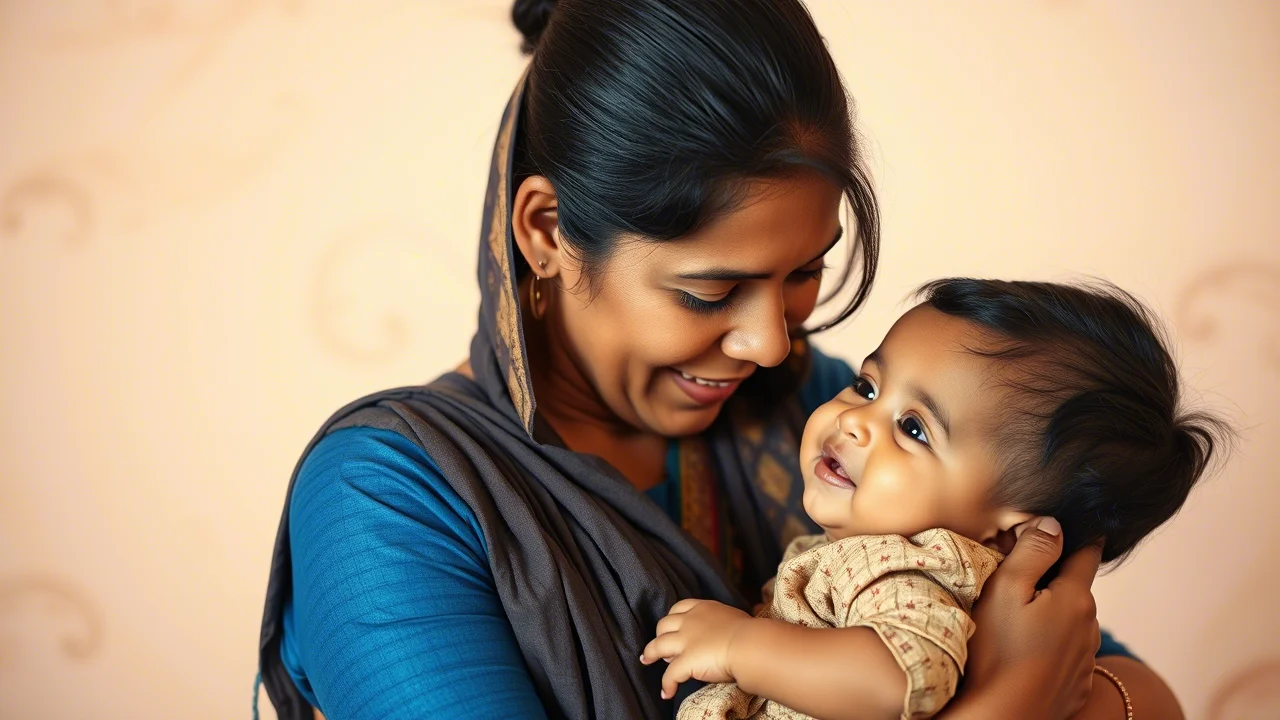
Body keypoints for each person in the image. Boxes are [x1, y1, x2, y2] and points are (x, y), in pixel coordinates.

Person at [257, 1, 1187, 718]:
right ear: (545, 232)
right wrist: (1014, 700)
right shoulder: (390, 500)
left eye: (803, 275)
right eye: (708, 294)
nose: (771, 342)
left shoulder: (816, 417)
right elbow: (1057, 669)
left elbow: (1149, 694)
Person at [646, 279, 1229, 719]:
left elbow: (899, 676)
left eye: (915, 429)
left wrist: (743, 645)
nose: (855, 421)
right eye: (869, 386)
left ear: (1014, 531)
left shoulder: (909, 569)